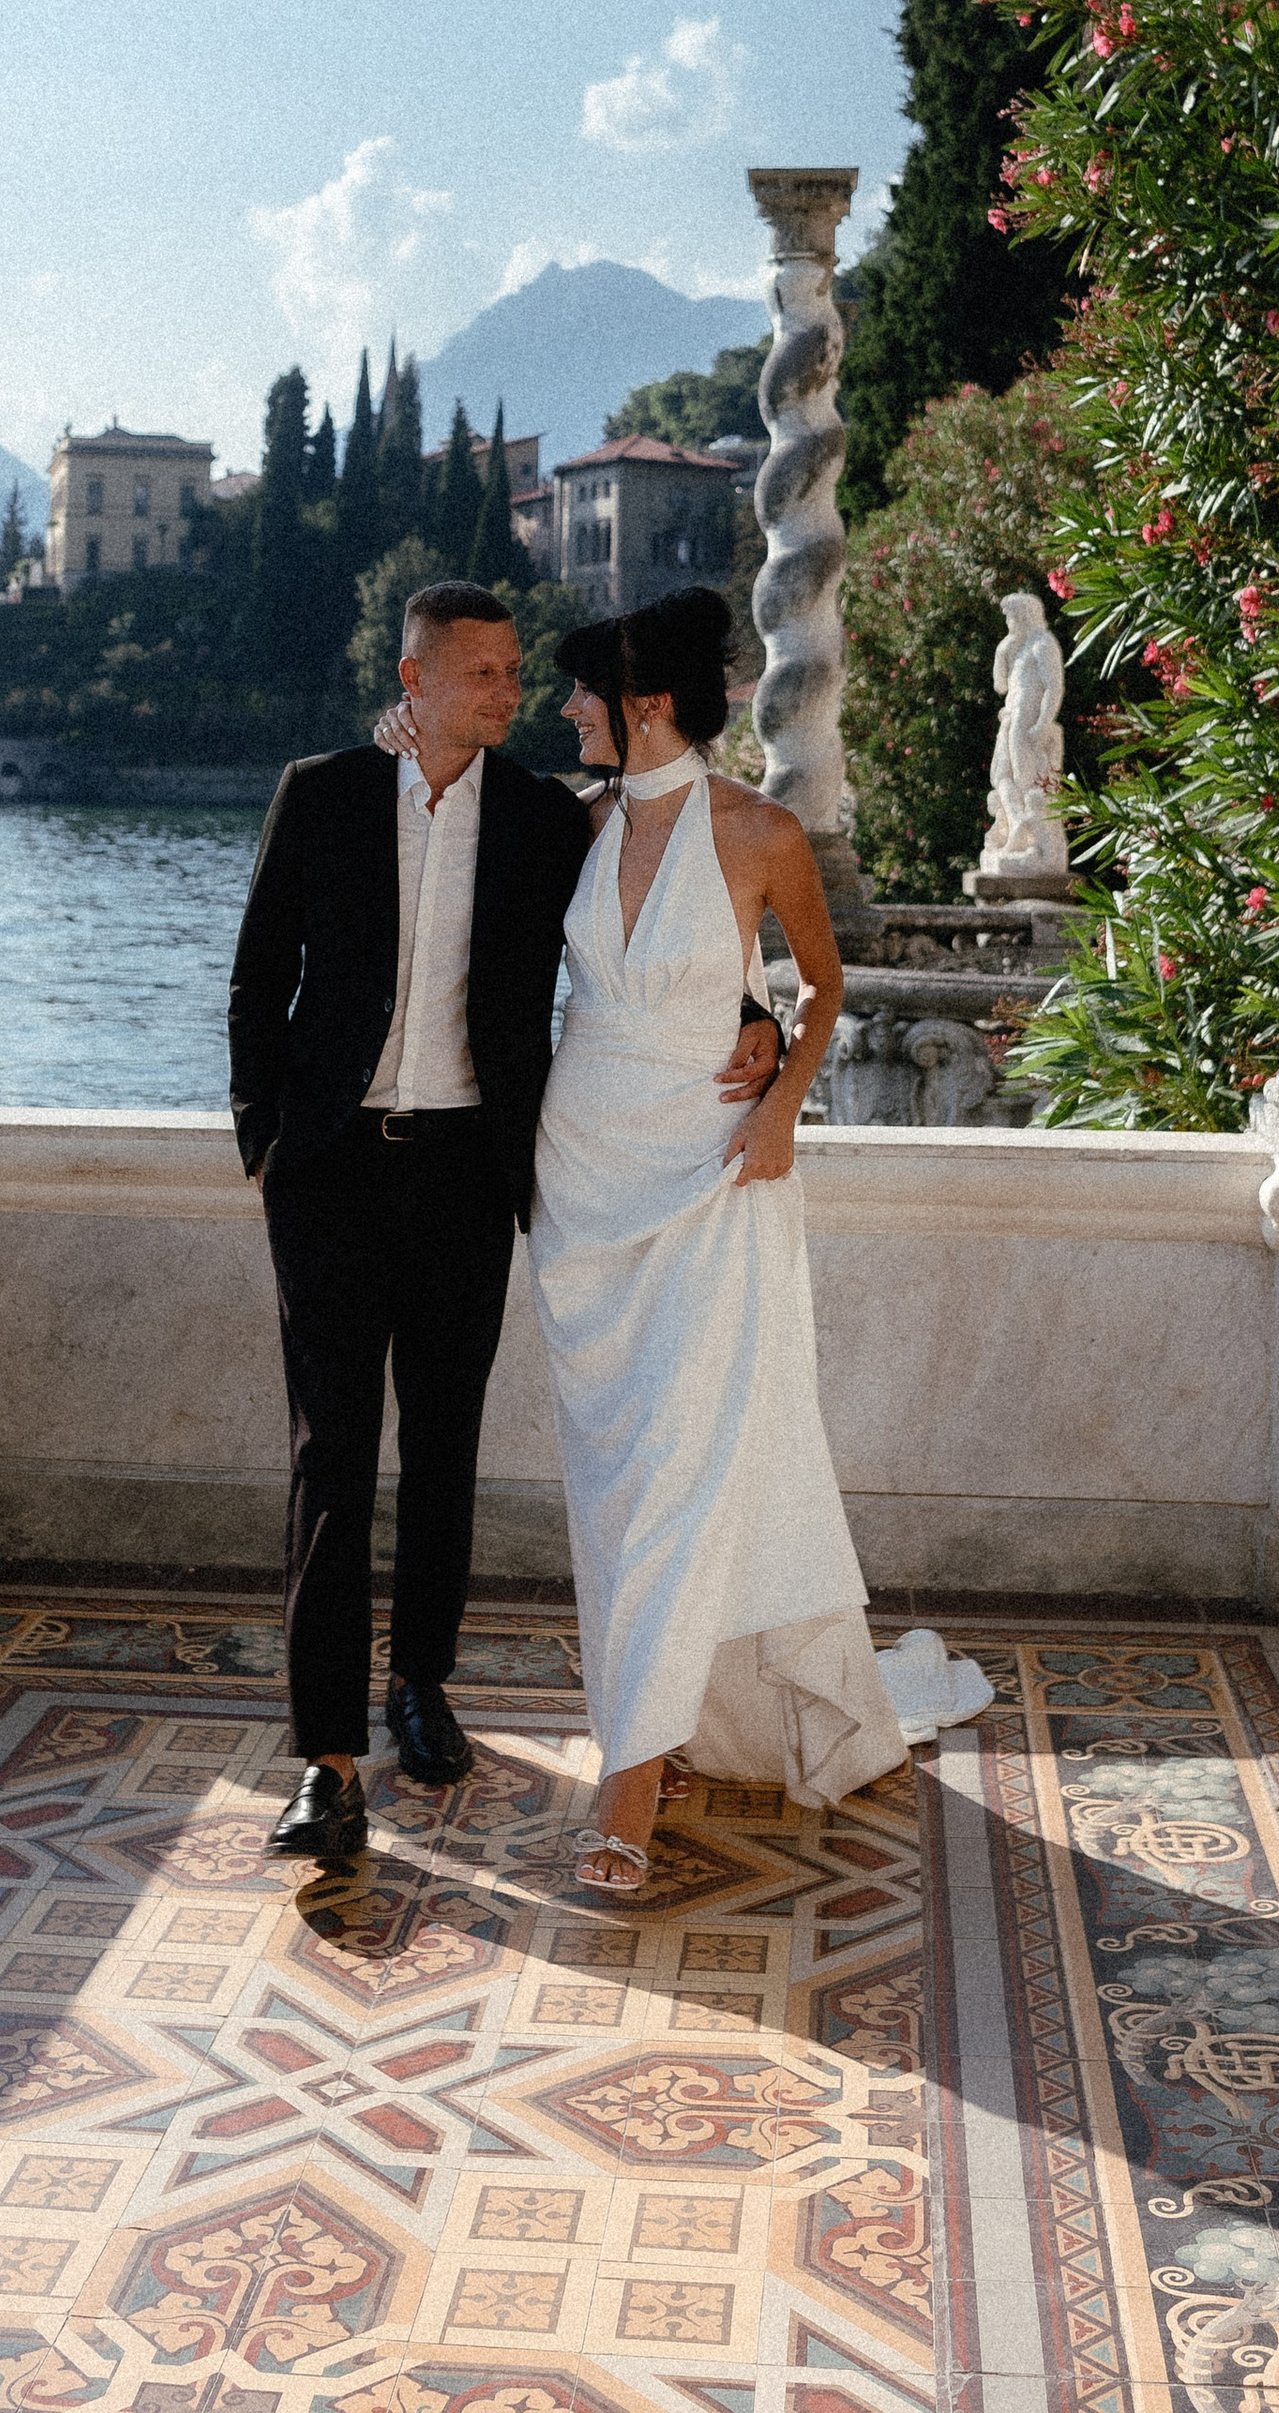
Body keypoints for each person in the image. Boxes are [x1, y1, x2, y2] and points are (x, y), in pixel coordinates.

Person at [226, 578, 783, 1868]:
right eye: (481, 673)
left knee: (446, 1447)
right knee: (330, 1458)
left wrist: (758, 1024)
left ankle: (422, 1685)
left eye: (516, 673)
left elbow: (680, 917)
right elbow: (260, 980)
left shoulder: (546, 818)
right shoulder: (322, 795)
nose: (510, 693)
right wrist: (269, 1142)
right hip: (330, 1174)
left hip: (467, 1172)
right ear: (413, 680)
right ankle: (324, 1762)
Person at [528, 590, 948, 1896]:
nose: (566, 709)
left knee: (678, 1475)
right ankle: (679, 1715)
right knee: (618, 1493)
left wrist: (779, 1094)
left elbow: (821, 983)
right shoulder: (574, 826)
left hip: (716, 1178)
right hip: (583, 1187)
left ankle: (632, 1783)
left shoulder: (764, 833)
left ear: (645, 702)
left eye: (584, 689)